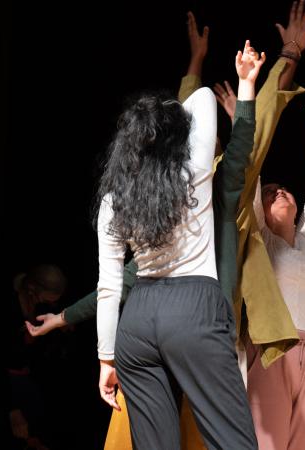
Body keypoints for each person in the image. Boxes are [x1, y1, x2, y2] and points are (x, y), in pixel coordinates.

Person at [93, 39, 264, 450]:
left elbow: (109, 287)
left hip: (136, 323)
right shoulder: (196, 168)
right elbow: (203, 97)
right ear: (178, 138)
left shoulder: (114, 199)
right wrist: (245, 85)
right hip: (193, 309)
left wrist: (106, 359)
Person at [247, 90, 305, 450]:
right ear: (264, 212)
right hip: (275, 349)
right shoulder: (261, 242)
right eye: (271, 194)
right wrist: (247, 112)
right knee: (267, 443)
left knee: (304, 444)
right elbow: (252, 175)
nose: (279, 193)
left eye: (284, 190)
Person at [0, 264, 66, 450]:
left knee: (41, 416)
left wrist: (58, 332)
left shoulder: (42, 308)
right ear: (32, 290)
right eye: (48, 300)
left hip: (16, 372)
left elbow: (34, 356)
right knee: (1, 423)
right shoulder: (2, 307)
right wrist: (13, 412)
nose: (52, 305)